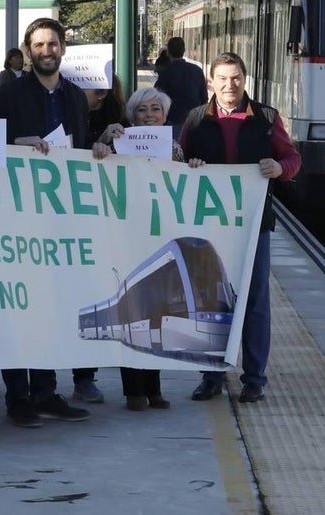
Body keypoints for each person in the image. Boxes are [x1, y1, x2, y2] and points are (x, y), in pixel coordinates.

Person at [0, 18, 94, 428]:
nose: (46, 51)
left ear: (63, 48)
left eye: (52, 44)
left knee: (51, 307)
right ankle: (19, 397)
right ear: (27, 51)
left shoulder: (77, 98)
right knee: (18, 307)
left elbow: (81, 148)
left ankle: (47, 391)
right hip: (16, 219)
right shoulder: (6, 95)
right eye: (38, 45)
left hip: (61, 220)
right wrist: (16, 144)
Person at [180, 52, 301, 404]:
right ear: (211, 83)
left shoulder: (266, 117)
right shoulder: (195, 119)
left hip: (254, 225)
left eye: (236, 78)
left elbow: (293, 158)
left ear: (244, 80)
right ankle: (212, 375)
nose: (230, 85)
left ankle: (254, 379)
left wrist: (280, 169)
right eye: (223, 78)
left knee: (255, 302)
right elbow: (178, 161)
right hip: (209, 226)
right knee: (210, 300)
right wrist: (189, 164)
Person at [99, 86, 182, 411]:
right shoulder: (119, 144)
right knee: (130, 313)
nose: (149, 115)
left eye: (155, 110)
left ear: (164, 116)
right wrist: (104, 144)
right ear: (132, 115)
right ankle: (133, 390)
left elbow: (186, 183)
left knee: (158, 315)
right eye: (142, 110)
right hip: (126, 237)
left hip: (159, 239)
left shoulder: (174, 148)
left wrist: (194, 165)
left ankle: (154, 388)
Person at [66, 74, 128, 405]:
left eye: (105, 87)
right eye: (93, 87)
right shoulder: (61, 107)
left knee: (89, 296)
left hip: (97, 223)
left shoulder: (115, 116)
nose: (100, 93)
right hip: (61, 219)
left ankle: (84, 377)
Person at [154, 36, 207, 138]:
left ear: (168, 52)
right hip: (194, 123)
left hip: (172, 122)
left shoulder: (165, 73)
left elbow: (157, 97)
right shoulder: (197, 70)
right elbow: (204, 99)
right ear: (184, 51)